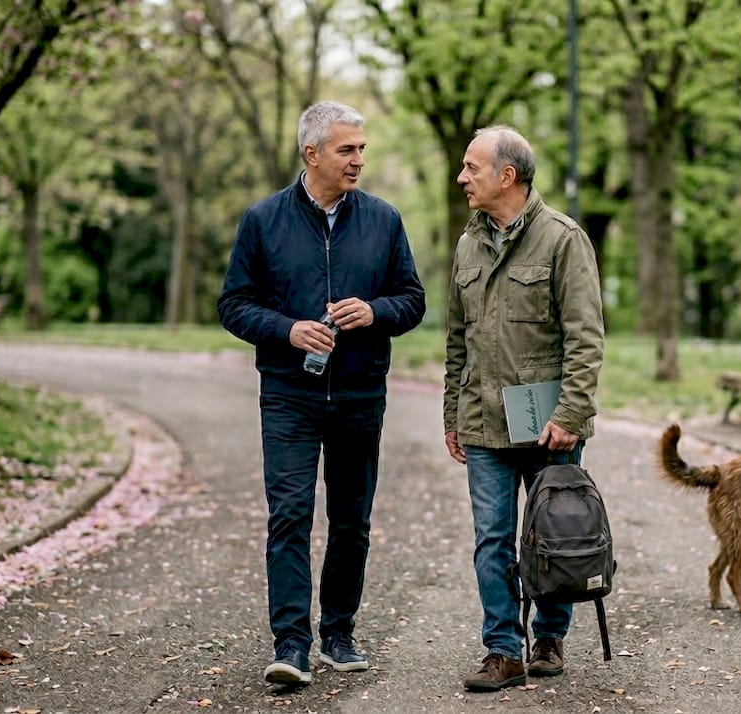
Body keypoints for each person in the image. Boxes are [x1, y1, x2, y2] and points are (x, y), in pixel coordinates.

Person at [217, 101, 426, 686]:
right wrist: (285, 329)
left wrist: (374, 311)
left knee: (352, 519)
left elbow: (413, 299)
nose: (358, 159)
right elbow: (233, 305)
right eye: (347, 149)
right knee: (289, 515)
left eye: (361, 149)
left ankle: (339, 631)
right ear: (312, 154)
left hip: (360, 394)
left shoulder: (384, 220)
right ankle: (291, 643)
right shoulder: (263, 220)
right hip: (289, 394)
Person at [442, 126, 605, 691]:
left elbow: (586, 338)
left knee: (552, 537)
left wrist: (571, 413)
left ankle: (551, 640)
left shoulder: (563, 240)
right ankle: (503, 650)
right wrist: (451, 416)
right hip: (484, 423)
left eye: (472, 168)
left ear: (505, 176)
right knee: (491, 540)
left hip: (547, 427)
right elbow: (456, 341)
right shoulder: (467, 244)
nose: (462, 177)